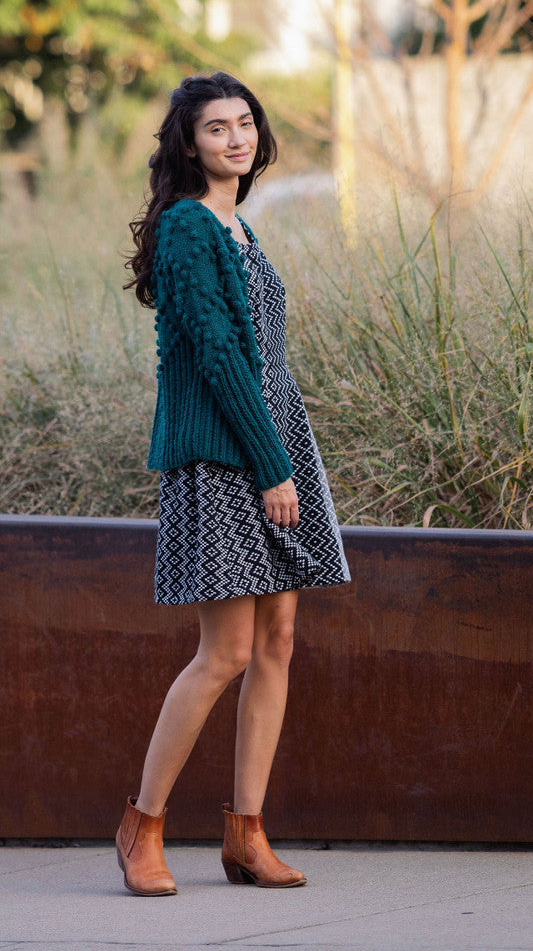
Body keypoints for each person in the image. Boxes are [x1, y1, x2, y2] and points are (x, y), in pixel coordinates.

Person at [119, 72, 350, 896]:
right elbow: (218, 356)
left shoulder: (239, 226)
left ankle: (245, 834)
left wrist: (288, 451)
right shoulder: (188, 228)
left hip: (276, 441)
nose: (235, 138)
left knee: (279, 641)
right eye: (216, 128)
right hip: (228, 455)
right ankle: (141, 826)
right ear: (188, 143)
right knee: (225, 652)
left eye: (244, 123)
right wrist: (272, 465)